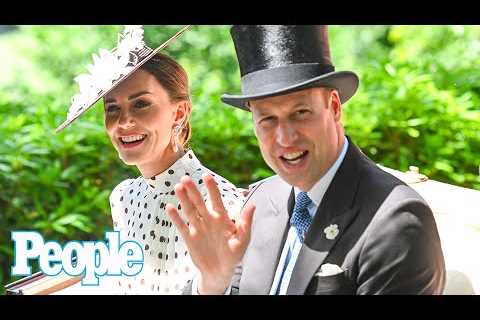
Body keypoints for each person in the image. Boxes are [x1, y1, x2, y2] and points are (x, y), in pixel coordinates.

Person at [166, 25, 446, 295]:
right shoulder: (262, 200)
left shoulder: (396, 222)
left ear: (334, 107)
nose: (285, 138)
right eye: (268, 120)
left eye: (300, 113)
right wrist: (213, 283)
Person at [56, 25, 244, 294]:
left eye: (141, 104)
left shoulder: (222, 205)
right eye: (112, 109)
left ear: (179, 113)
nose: (124, 122)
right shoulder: (124, 198)